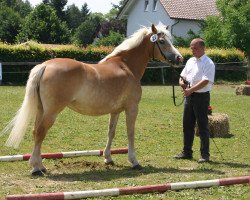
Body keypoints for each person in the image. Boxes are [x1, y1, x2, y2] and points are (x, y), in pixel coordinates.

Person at [174, 38, 215, 163]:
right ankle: (187, 152)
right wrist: (182, 84)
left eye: (195, 48)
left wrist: (190, 90)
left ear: (203, 48)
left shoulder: (209, 63)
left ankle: (205, 155)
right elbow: (182, 76)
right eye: (191, 48)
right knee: (187, 125)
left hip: (201, 97)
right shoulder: (190, 61)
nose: (192, 51)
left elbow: (205, 81)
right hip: (189, 96)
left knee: (202, 126)